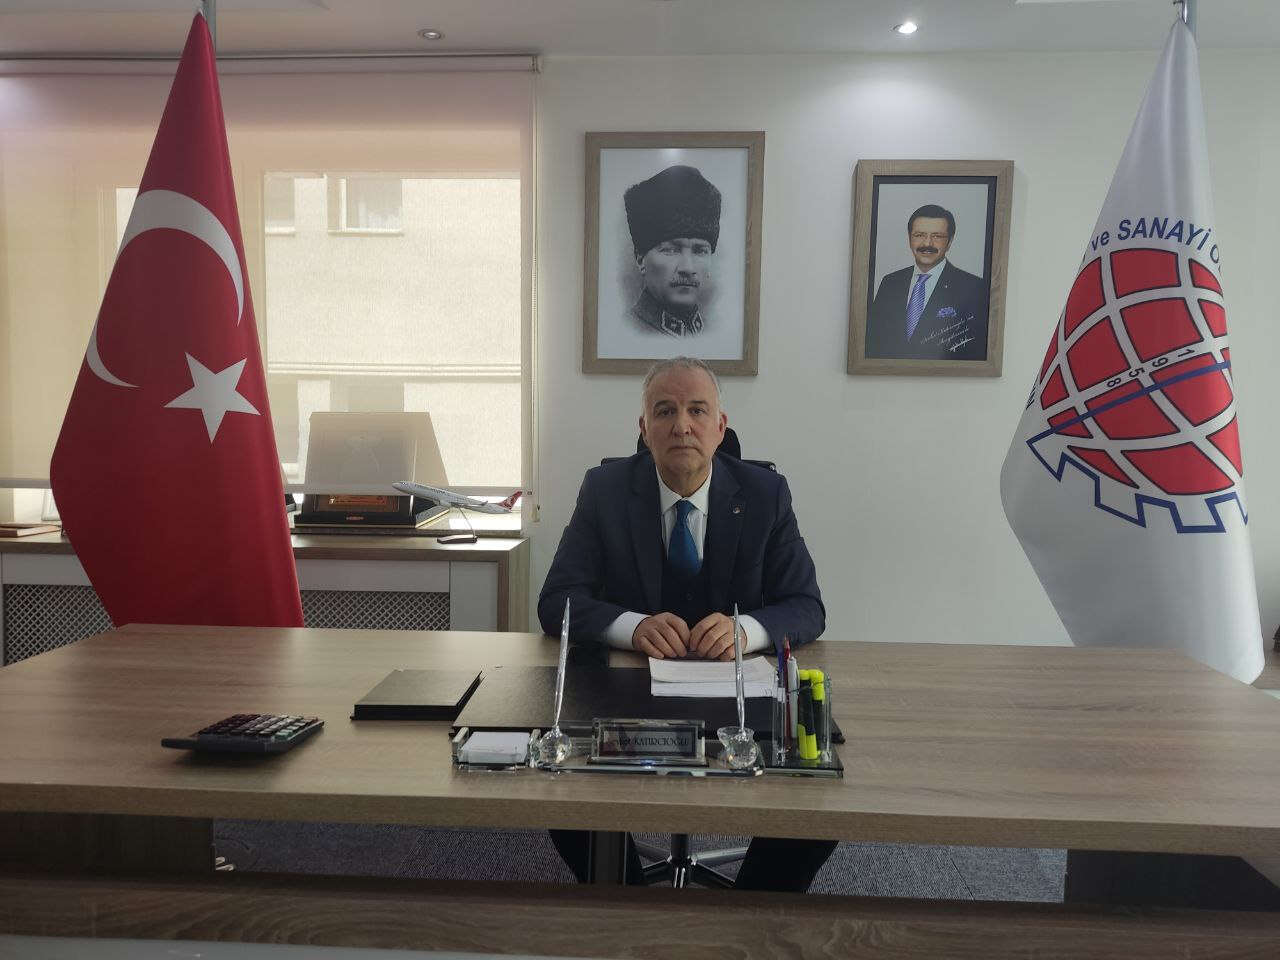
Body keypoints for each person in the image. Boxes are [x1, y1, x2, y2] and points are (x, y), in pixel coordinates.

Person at [537, 356, 834, 891]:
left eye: (698, 410)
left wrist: (748, 631)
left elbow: (807, 606)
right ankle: (626, 903)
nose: (682, 426)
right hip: (630, 696)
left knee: (822, 784)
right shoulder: (604, 490)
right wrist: (631, 626)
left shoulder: (765, 494)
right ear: (643, 428)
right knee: (555, 781)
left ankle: (751, 914)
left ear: (721, 426)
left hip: (739, 696)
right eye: (665, 411)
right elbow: (557, 600)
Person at [866, 203, 988, 361]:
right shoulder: (890, 283)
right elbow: (873, 341)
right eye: (919, 235)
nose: (927, 244)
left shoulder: (974, 288)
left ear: (950, 241)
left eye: (937, 236)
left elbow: (975, 352)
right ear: (909, 238)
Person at [623, 165, 720, 339]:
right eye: (671, 250)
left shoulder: (716, 332)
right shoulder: (624, 332)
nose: (688, 268)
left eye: (700, 251)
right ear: (640, 259)